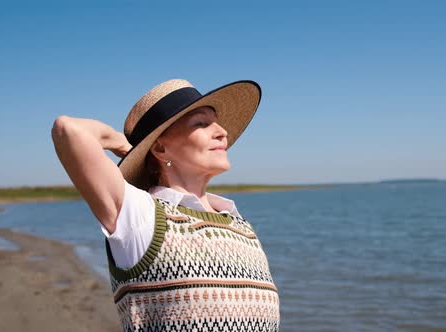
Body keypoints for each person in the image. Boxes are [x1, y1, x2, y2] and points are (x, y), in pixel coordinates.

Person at [51, 79, 280, 331]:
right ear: (160, 147)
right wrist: (123, 144)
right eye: (201, 123)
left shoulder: (241, 225)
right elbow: (69, 130)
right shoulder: (141, 215)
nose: (222, 132)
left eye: (217, 122)